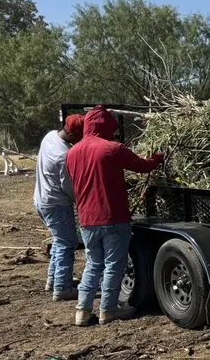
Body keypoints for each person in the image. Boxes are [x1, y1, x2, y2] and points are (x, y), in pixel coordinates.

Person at [66, 106, 164, 327]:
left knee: (93, 263)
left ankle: (82, 311)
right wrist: (158, 157)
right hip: (112, 216)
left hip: (86, 219)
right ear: (107, 126)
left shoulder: (72, 153)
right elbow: (143, 166)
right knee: (113, 265)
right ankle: (108, 310)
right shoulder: (112, 148)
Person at [34, 114, 85, 300]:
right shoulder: (64, 156)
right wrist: (82, 201)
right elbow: (69, 187)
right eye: (80, 137)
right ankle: (63, 288)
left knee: (58, 240)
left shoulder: (50, 136)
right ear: (72, 135)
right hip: (56, 204)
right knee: (66, 244)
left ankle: (53, 281)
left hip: (41, 199)